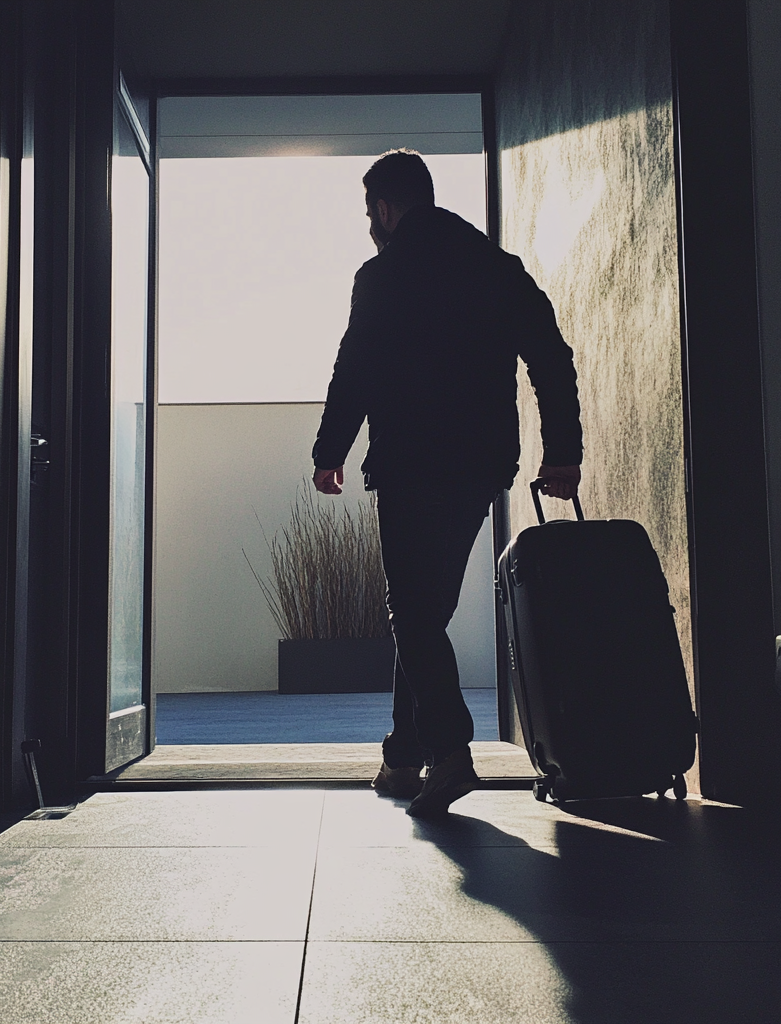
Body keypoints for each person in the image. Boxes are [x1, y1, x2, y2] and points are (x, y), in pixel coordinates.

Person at [312, 149, 583, 819]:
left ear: (384, 207)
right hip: (480, 464)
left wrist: (329, 450)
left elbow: (355, 367)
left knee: (413, 610)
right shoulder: (498, 269)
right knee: (423, 611)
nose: (369, 224)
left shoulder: (382, 276)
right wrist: (563, 454)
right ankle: (403, 759)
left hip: (408, 462)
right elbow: (551, 358)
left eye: (369, 211)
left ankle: (451, 754)